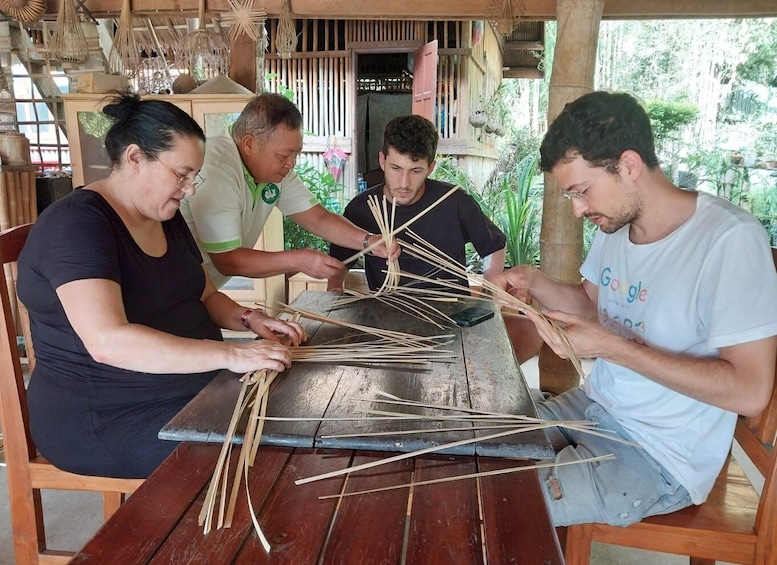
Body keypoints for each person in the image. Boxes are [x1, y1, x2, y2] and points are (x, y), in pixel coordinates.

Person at [493, 90, 777, 527]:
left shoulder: (728, 240)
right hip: (594, 407)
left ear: (627, 166)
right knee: (478, 449)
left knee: (499, 505)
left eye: (582, 191)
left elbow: (751, 392)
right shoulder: (615, 225)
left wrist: (613, 349)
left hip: (661, 453)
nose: (577, 209)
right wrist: (534, 281)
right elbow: (592, 306)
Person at [17, 93, 306, 479]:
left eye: (194, 177)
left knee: (296, 415)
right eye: (181, 174)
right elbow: (108, 342)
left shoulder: (163, 215)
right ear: (136, 158)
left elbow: (204, 294)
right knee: (265, 456)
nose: (189, 189)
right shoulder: (77, 226)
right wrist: (233, 356)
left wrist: (250, 319)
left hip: (185, 389)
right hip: (106, 416)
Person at [180, 93, 396, 290]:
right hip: (175, 288)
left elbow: (317, 218)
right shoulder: (217, 167)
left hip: (204, 289)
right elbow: (228, 260)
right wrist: (299, 260)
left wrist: (369, 241)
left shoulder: (272, 171)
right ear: (249, 144)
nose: (291, 164)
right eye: (283, 156)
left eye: (296, 155)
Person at [328, 114, 506, 293]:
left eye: (415, 171)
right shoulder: (362, 208)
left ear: (430, 168)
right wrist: (334, 287)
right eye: (396, 168)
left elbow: (494, 245)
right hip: (384, 313)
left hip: (451, 315)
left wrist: (491, 281)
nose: (404, 183)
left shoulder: (455, 202)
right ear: (382, 161)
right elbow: (339, 263)